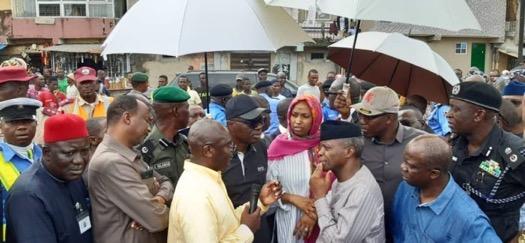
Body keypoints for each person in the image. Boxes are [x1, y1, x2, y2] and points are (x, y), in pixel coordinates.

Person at [167, 118, 282, 242]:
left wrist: (260, 202)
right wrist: (246, 230)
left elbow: (226, 223)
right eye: (228, 146)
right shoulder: (195, 195)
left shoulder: (208, 178)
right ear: (208, 151)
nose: (232, 153)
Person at [88, 95, 173, 243]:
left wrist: (159, 198)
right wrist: (153, 208)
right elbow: (156, 219)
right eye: (147, 120)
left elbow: (166, 181)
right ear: (127, 118)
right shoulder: (111, 162)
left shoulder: (129, 153)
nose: (148, 129)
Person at [447, 81, 525, 241]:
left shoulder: (514, 153)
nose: (448, 114)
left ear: (479, 114)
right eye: (450, 107)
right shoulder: (452, 143)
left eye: (456, 109)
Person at [392, 134, 501, 242]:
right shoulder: (405, 187)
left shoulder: (468, 219)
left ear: (434, 174)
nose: (403, 167)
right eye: (404, 161)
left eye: (411, 166)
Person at [349, 86, 426, 237]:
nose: (362, 121)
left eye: (369, 116)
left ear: (389, 118)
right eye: (360, 114)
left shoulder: (421, 142)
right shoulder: (355, 141)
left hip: (406, 229)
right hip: (366, 227)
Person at [6, 114, 93, 243]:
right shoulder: (28, 196)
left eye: (84, 151)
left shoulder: (73, 176)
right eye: (69, 153)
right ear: (47, 153)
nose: (79, 161)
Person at [310, 120, 385, 242]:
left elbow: (338, 241)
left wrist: (319, 196)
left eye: (327, 148)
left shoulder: (362, 190)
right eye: (320, 147)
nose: (319, 153)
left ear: (349, 151)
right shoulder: (342, 179)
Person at [267, 95, 326, 243]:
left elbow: (333, 184)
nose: (297, 121)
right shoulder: (278, 146)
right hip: (289, 221)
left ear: (315, 118)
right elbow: (269, 189)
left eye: (305, 116)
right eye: (294, 115)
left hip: (323, 220)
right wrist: (292, 198)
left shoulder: (324, 145)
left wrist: (313, 213)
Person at [223, 95, 273, 243]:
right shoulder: (217, 154)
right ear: (231, 124)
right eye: (252, 122)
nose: (259, 126)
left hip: (260, 229)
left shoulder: (262, 146)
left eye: (260, 120)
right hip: (230, 233)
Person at [0, 98, 42, 240]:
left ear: (36, 124)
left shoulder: (47, 154)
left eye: (26, 121)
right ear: (1, 126)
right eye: (13, 122)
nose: (21, 127)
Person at [140, 86, 190, 187]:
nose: (189, 113)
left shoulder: (185, 143)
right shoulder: (146, 150)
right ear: (175, 111)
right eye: (187, 108)